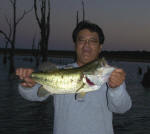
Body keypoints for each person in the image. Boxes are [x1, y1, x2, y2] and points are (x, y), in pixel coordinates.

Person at [16, 20, 132, 134]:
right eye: (82, 40)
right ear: (75, 45)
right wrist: (29, 86)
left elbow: (122, 108)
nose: (87, 45)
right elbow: (36, 94)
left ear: (100, 47)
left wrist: (116, 88)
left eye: (93, 41)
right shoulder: (58, 71)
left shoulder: (110, 76)